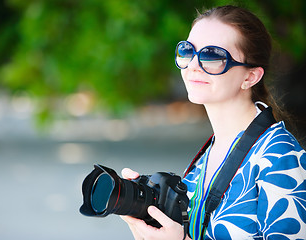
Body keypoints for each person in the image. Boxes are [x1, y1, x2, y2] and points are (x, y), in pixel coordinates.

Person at [121, 5, 306, 240]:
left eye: (212, 56)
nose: (193, 65)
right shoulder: (208, 155)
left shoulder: (280, 156)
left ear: (250, 77)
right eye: (187, 51)